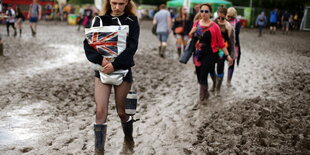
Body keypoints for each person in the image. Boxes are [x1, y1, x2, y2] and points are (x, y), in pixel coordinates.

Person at [83, 0, 140, 154]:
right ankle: (99, 151)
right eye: (114, 2)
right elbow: (88, 43)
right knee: (101, 111)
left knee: (122, 112)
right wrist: (101, 60)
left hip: (123, 71)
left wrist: (115, 65)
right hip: (102, 71)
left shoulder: (132, 21)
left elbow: (132, 47)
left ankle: (129, 139)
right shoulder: (99, 20)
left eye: (121, 3)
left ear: (127, 2)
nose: (117, 7)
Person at [189, 3, 233, 107]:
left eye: (206, 11)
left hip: (210, 54)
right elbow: (191, 36)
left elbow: (221, 44)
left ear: (210, 13)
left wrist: (227, 56)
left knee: (204, 74)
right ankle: (206, 93)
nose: (203, 13)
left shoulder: (215, 27)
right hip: (198, 53)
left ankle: (202, 98)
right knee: (199, 76)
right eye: (202, 11)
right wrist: (192, 32)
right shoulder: (196, 23)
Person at [213, 5, 234, 94]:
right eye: (219, 15)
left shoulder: (228, 26)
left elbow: (230, 40)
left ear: (225, 15)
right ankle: (214, 83)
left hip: (222, 49)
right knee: (210, 68)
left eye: (223, 15)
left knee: (220, 67)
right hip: (212, 48)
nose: (220, 17)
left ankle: (218, 88)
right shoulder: (213, 23)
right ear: (217, 14)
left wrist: (230, 54)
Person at [226, 7, 242, 86]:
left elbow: (237, 33)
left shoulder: (237, 22)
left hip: (233, 45)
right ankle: (219, 79)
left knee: (232, 63)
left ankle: (229, 80)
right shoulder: (223, 20)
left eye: (231, 16)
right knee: (220, 62)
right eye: (228, 16)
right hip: (224, 45)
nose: (229, 18)